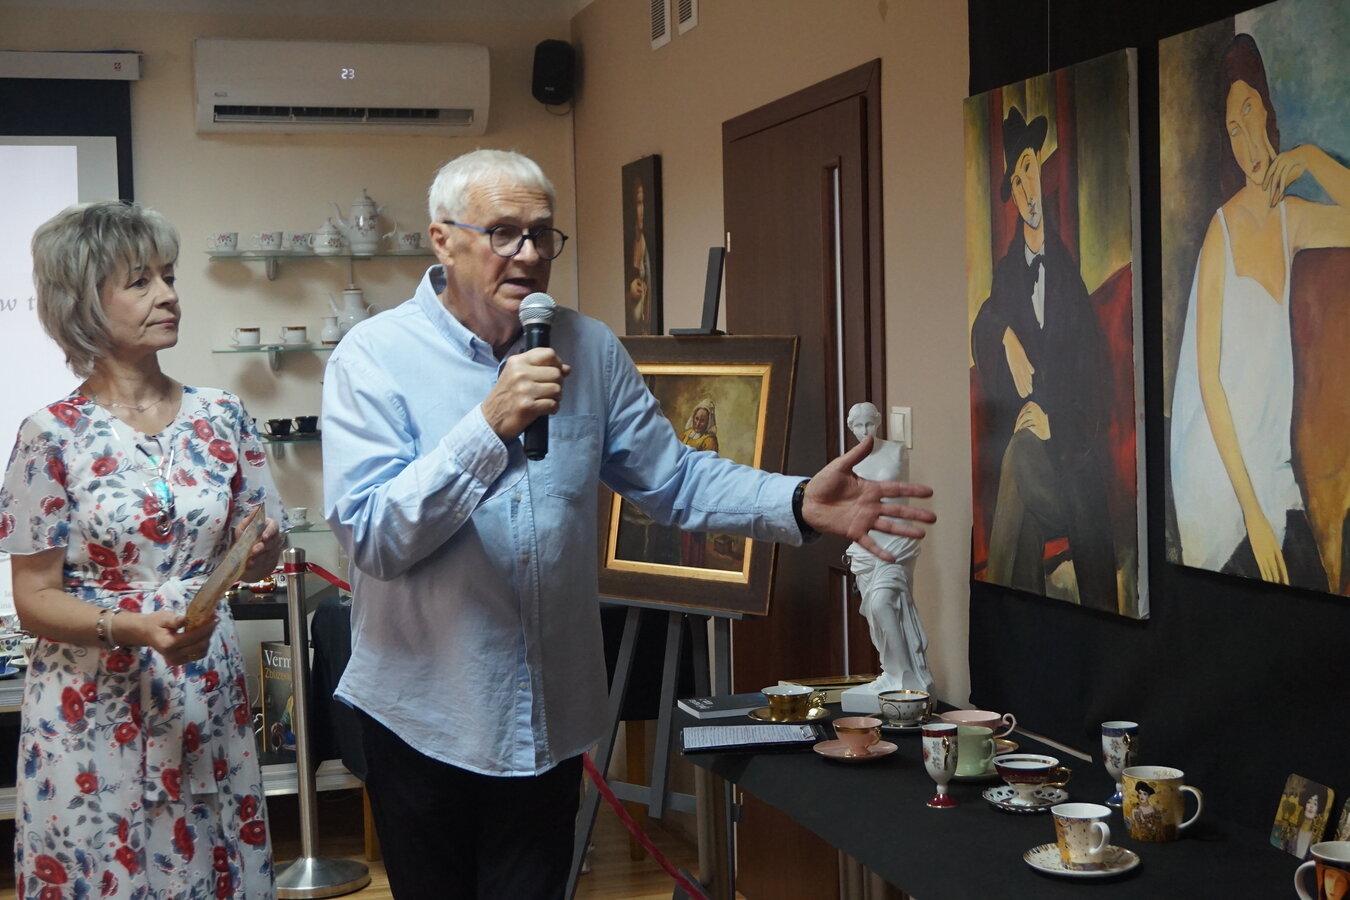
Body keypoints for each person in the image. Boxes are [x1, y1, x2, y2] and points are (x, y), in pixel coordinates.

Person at [320, 148, 937, 899]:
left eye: (543, 235)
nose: (529, 254)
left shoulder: (589, 348)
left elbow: (672, 479)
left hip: (545, 719)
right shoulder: (374, 357)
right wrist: (489, 426)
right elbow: (374, 537)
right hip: (424, 717)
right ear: (442, 240)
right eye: (504, 232)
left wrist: (797, 499)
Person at [0, 201, 285, 899]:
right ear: (83, 303)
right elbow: (33, 601)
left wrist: (259, 554)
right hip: (92, 706)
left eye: (168, 276)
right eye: (140, 281)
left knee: (213, 866)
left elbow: (260, 548)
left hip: (202, 689)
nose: (168, 295)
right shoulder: (49, 436)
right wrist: (132, 627)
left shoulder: (222, 415)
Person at [1170, 33, 1350, 589]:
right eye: (1232, 127)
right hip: (1219, 475)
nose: (1247, 139)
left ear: (1269, 111)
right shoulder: (1220, 231)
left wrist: (1310, 158)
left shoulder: (1291, 219)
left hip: (1272, 472)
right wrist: (1250, 511)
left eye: (1250, 112)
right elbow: (1208, 381)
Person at [970, 104, 1118, 611]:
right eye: (1016, 181)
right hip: (1034, 467)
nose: (1028, 190)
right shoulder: (1008, 274)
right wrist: (1007, 336)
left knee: (1016, 457)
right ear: (1012, 196)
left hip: (1073, 465)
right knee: (1018, 458)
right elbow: (985, 320)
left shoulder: (1069, 275)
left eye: (1029, 169)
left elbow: (1098, 386)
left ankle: (998, 611)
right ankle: (1015, 611)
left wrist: (1053, 424)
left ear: (1041, 169)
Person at [842, 402, 933, 694]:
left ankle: (907, 676)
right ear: (850, 427)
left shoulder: (896, 451)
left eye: (869, 423)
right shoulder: (847, 463)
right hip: (866, 547)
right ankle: (890, 672)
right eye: (858, 426)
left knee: (881, 603)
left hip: (896, 544)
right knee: (874, 615)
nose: (864, 430)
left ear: (879, 422)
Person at [677, 399, 718, 565]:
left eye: (702, 420)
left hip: (697, 489)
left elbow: (708, 467)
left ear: (708, 422)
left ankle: (693, 563)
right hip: (681, 485)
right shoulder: (685, 435)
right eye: (697, 418)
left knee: (693, 529)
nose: (698, 423)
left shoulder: (709, 441)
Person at [624, 176, 653, 334]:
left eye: (643, 204)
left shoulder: (645, 244)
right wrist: (631, 292)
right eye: (638, 203)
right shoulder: (630, 242)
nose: (641, 211)